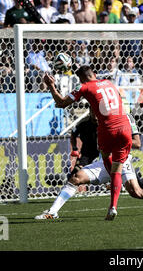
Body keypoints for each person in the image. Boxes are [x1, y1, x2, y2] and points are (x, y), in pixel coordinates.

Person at [43, 66, 132, 221]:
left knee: (106, 159)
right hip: (125, 127)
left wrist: (51, 86)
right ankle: (113, 207)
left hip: (107, 130)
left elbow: (61, 103)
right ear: (94, 74)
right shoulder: (109, 83)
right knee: (117, 169)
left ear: (81, 79)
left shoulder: (83, 86)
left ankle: (111, 180)